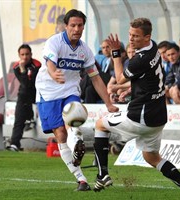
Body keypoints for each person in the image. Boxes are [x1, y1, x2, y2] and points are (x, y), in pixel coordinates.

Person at [92, 18, 180, 199]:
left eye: (135, 36)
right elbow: (146, 80)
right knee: (151, 157)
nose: (131, 39)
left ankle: (102, 175)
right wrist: (132, 89)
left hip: (141, 116)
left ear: (147, 37)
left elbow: (119, 77)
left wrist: (115, 53)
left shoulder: (140, 59)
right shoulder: (153, 47)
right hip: (157, 117)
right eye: (129, 35)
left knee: (100, 125)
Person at [35, 9, 118, 191]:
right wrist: (53, 73)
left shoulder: (85, 50)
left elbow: (95, 78)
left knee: (74, 118)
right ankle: (81, 179)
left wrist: (109, 104)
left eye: (80, 25)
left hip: (70, 89)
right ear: (66, 26)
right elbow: (50, 63)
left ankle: (78, 142)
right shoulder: (54, 42)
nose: (77, 28)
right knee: (60, 135)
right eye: (73, 25)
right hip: (47, 92)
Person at [6, 44, 41, 151]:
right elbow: (25, 83)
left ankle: (30, 117)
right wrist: (22, 69)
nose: (25, 57)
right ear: (19, 55)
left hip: (37, 93)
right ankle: (15, 144)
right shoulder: (17, 67)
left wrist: (24, 72)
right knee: (18, 119)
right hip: (24, 95)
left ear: (31, 55)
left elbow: (33, 83)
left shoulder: (37, 65)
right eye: (22, 55)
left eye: (27, 54)